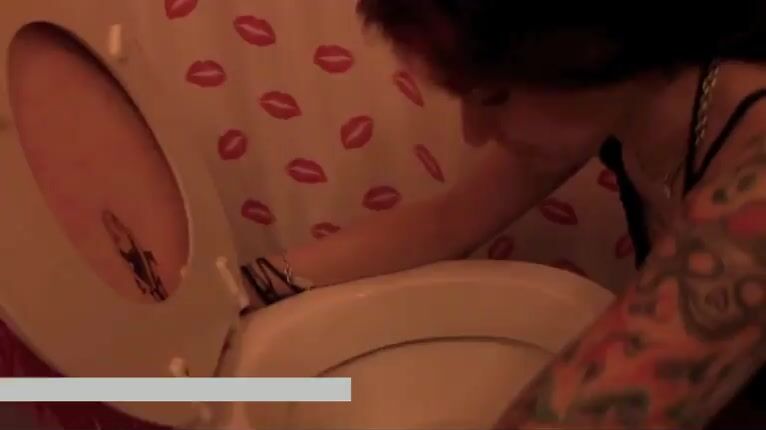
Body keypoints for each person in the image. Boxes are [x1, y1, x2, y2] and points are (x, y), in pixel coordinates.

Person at [242, 3, 766, 429]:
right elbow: (448, 221)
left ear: (593, 48)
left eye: (495, 96)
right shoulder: (632, 99)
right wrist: (240, 292)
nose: (472, 132)